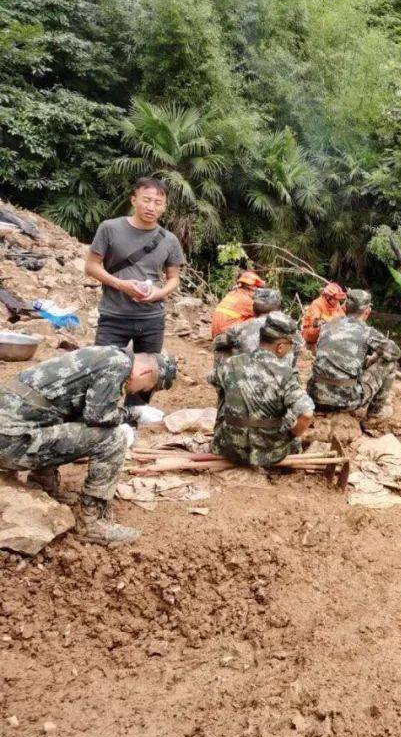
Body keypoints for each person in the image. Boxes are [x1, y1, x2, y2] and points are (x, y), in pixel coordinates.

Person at [0, 347, 178, 546]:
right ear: (145, 373)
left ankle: (43, 484)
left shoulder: (106, 355)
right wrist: (131, 414)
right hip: (11, 442)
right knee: (113, 438)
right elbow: (98, 417)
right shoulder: (119, 365)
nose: (135, 392)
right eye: (145, 388)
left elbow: (70, 407)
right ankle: (92, 525)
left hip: (10, 430)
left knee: (66, 416)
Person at [84, 177, 185, 405]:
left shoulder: (169, 240)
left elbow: (173, 278)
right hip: (114, 315)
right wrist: (121, 285)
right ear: (134, 200)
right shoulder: (109, 228)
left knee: (148, 373)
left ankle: (134, 417)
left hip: (151, 319)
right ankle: (99, 417)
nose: (151, 207)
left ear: (165, 206)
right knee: (102, 369)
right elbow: (91, 267)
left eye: (158, 202)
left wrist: (159, 293)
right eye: (146, 200)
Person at [210, 313, 314, 466]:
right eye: (290, 347)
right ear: (280, 347)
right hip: (270, 453)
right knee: (291, 413)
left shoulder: (230, 364)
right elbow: (306, 414)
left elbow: (212, 379)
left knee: (224, 395)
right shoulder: (285, 373)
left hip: (230, 449)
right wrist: (292, 435)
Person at [308, 289, 400, 419]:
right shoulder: (367, 332)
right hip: (345, 401)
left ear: (345, 307)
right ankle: (374, 415)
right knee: (390, 363)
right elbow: (395, 352)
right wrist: (375, 357)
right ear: (367, 311)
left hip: (315, 397)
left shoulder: (328, 325)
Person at [213, 288, 301, 372]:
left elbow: (217, 343)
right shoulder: (293, 330)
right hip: (281, 381)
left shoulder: (241, 328)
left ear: (254, 308)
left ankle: (222, 379)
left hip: (249, 382)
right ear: (278, 306)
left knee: (223, 348)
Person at [210, 269, 265, 338]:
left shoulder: (232, 294)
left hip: (217, 335)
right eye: (257, 288)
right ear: (251, 287)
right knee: (261, 319)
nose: (257, 292)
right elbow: (264, 314)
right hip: (226, 337)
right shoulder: (246, 300)